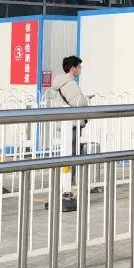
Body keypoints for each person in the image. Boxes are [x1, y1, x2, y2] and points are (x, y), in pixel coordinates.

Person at [50, 56, 89, 212]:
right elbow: (78, 102)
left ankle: (66, 186)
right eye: (79, 66)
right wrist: (87, 99)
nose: (80, 69)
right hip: (72, 123)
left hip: (65, 123)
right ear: (73, 68)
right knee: (72, 155)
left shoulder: (59, 83)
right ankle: (69, 188)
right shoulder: (70, 83)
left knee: (67, 155)